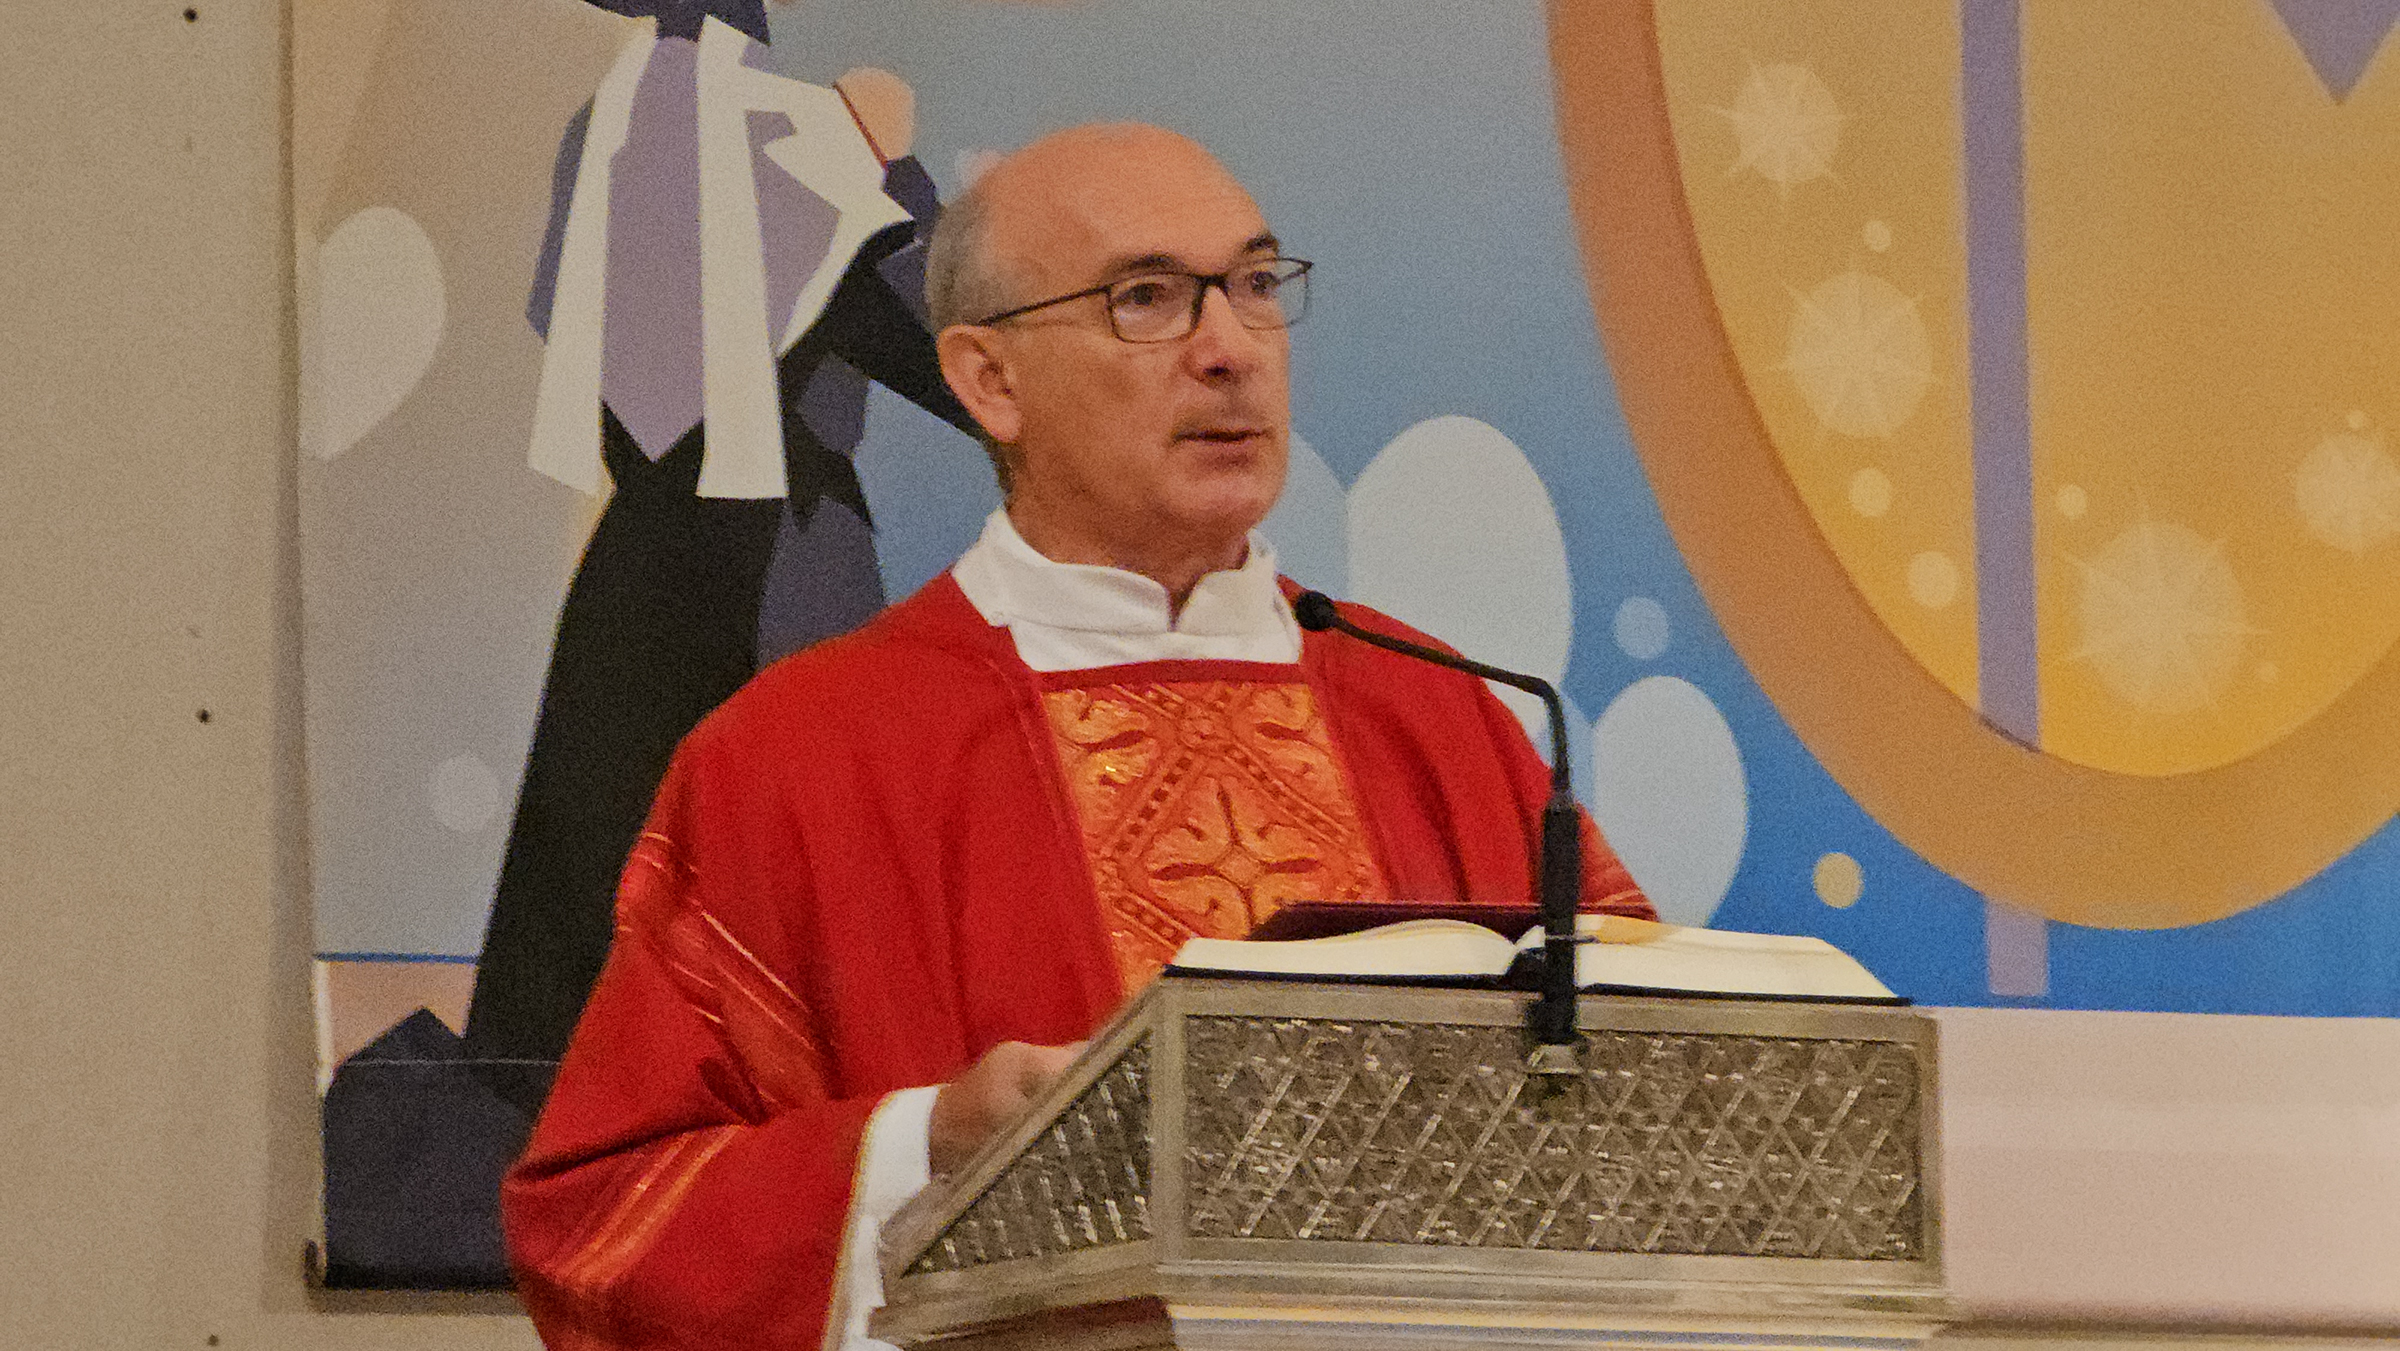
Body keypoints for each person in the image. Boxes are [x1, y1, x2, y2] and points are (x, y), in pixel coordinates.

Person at [501, 122, 1656, 1351]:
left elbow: (1667, 1101)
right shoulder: (803, 753)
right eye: (1145, 299)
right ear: (988, 381)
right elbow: (604, 1226)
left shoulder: (1438, 713)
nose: (1230, 349)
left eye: (1256, 284)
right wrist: (928, 1143)